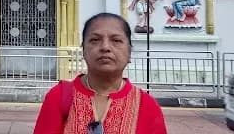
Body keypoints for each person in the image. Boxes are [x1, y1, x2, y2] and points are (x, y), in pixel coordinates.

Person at [33, 12, 167, 134]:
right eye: (95, 40)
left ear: (129, 52)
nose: (105, 47)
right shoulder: (58, 97)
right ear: (83, 50)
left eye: (116, 40)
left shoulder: (147, 106)